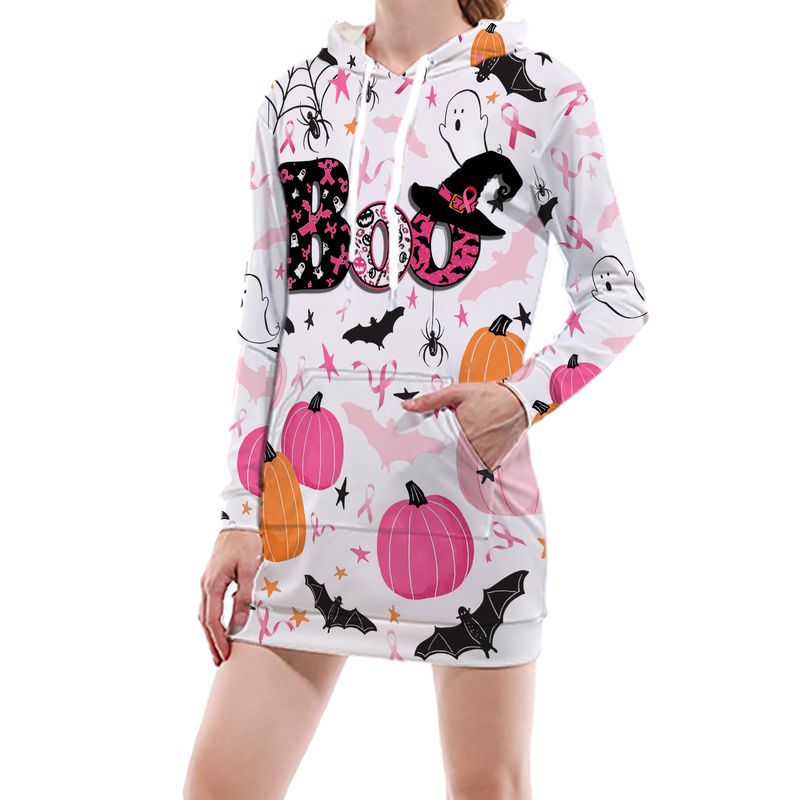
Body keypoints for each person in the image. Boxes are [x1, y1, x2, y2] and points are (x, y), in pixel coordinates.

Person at [185, 0, 649, 797]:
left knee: (488, 787)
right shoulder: (295, 98)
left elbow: (617, 296)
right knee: (220, 784)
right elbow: (264, 325)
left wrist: (520, 398)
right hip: (301, 532)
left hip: (475, 518)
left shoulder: (543, 93)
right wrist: (238, 511)